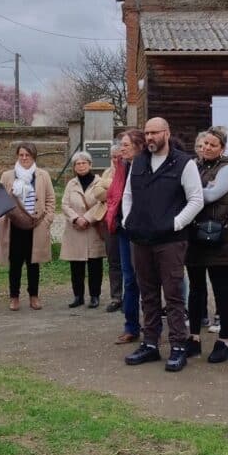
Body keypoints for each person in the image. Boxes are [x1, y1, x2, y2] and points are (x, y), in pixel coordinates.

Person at [122, 117, 204, 372]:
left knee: (174, 295)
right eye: (146, 133)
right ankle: (150, 344)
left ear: (166, 133)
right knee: (147, 294)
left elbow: (196, 199)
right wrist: (128, 221)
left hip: (170, 241)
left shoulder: (184, 163)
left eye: (154, 133)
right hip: (141, 239)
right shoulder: (138, 162)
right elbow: (128, 195)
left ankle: (178, 345)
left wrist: (176, 223)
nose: (149, 138)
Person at [186, 127, 228, 363]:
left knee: (221, 289)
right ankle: (193, 338)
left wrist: (194, 191)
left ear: (222, 148)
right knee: (196, 290)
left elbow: (211, 195)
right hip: (194, 236)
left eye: (213, 145)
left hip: (218, 238)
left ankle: (224, 341)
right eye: (205, 143)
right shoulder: (195, 165)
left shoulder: (227, 169)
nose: (207, 148)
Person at [93, 129, 145, 344]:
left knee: (147, 280)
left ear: (138, 146)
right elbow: (112, 194)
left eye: (125, 145)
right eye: (121, 145)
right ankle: (131, 327)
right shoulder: (122, 167)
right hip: (123, 229)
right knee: (129, 279)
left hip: (143, 230)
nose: (121, 149)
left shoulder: (147, 166)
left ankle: (153, 327)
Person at [0, 142, 56, 310]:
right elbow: (0, 200)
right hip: (13, 226)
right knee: (15, 263)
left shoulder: (43, 175)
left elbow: (51, 200)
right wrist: (2, 219)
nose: (24, 158)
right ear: (17, 156)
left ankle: (34, 296)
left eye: (27, 155)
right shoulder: (8, 175)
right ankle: (14, 297)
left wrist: (47, 220)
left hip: (36, 225)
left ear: (33, 157)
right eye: (21, 155)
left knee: (33, 262)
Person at [62, 151, 107, 309]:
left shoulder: (100, 182)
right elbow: (65, 204)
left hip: (92, 228)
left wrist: (87, 218)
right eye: (77, 164)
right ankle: (78, 296)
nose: (81, 166)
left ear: (90, 164)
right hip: (75, 229)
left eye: (84, 163)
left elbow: (102, 202)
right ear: (74, 167)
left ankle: (95, 296)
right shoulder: (71, 184)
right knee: (76, 266)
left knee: (95, 264)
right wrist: (76, 218)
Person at [102, 142, 125, 313]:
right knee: (114, 262)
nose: (116, 160)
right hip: (111, 221)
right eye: (113, 157)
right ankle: (116, 297)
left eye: (119, 157)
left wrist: (108, 188)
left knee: (132, 263)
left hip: (128, 222)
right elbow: (97, 193)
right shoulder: (107, 173)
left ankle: (132, 297)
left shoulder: (131, 171)